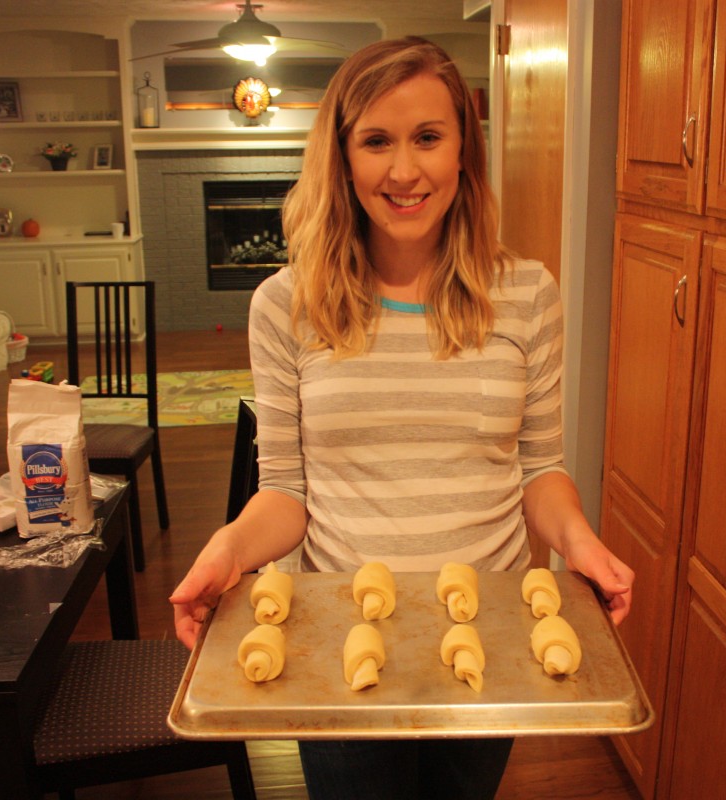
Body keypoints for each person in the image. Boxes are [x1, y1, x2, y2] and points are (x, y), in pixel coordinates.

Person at [170, 36, 634, 799]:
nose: (404, 170)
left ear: (463, 151)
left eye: (428, 137)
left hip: (493, 627)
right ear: (343, 159)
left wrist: (579, 540)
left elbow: (540, 469)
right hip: (340, 628)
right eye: (376, 141)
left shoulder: (526, 293)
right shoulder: (285, 305)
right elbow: (285, 490)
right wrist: (228, 551)